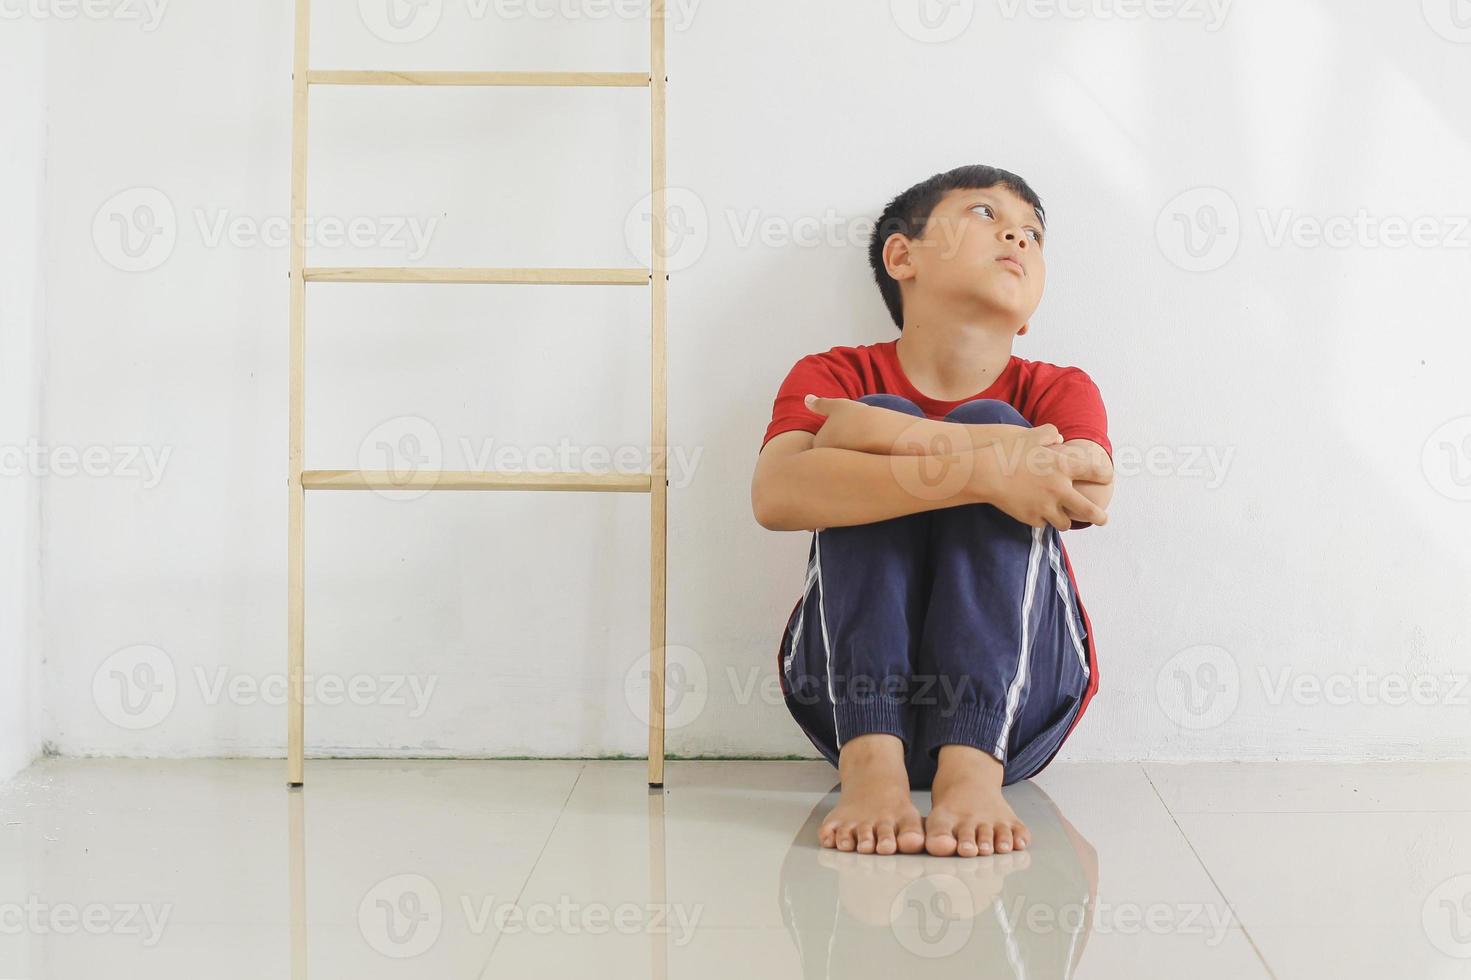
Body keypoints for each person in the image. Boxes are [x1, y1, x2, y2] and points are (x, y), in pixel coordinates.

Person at [750, 165, 1115, 858]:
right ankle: (870, 760)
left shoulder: (1058, 387)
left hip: (1018, 707)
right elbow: (777, 494)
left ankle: (973, 766)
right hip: (843, 699)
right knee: (928, 416)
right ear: (901, 256)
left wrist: (880, 437)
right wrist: (989, 466)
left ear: (1030, 303)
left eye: (1032, 234)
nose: (1015, 232)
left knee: (981, 412)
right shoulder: (837, 374)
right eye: (983, 213)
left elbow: (1089, 487)